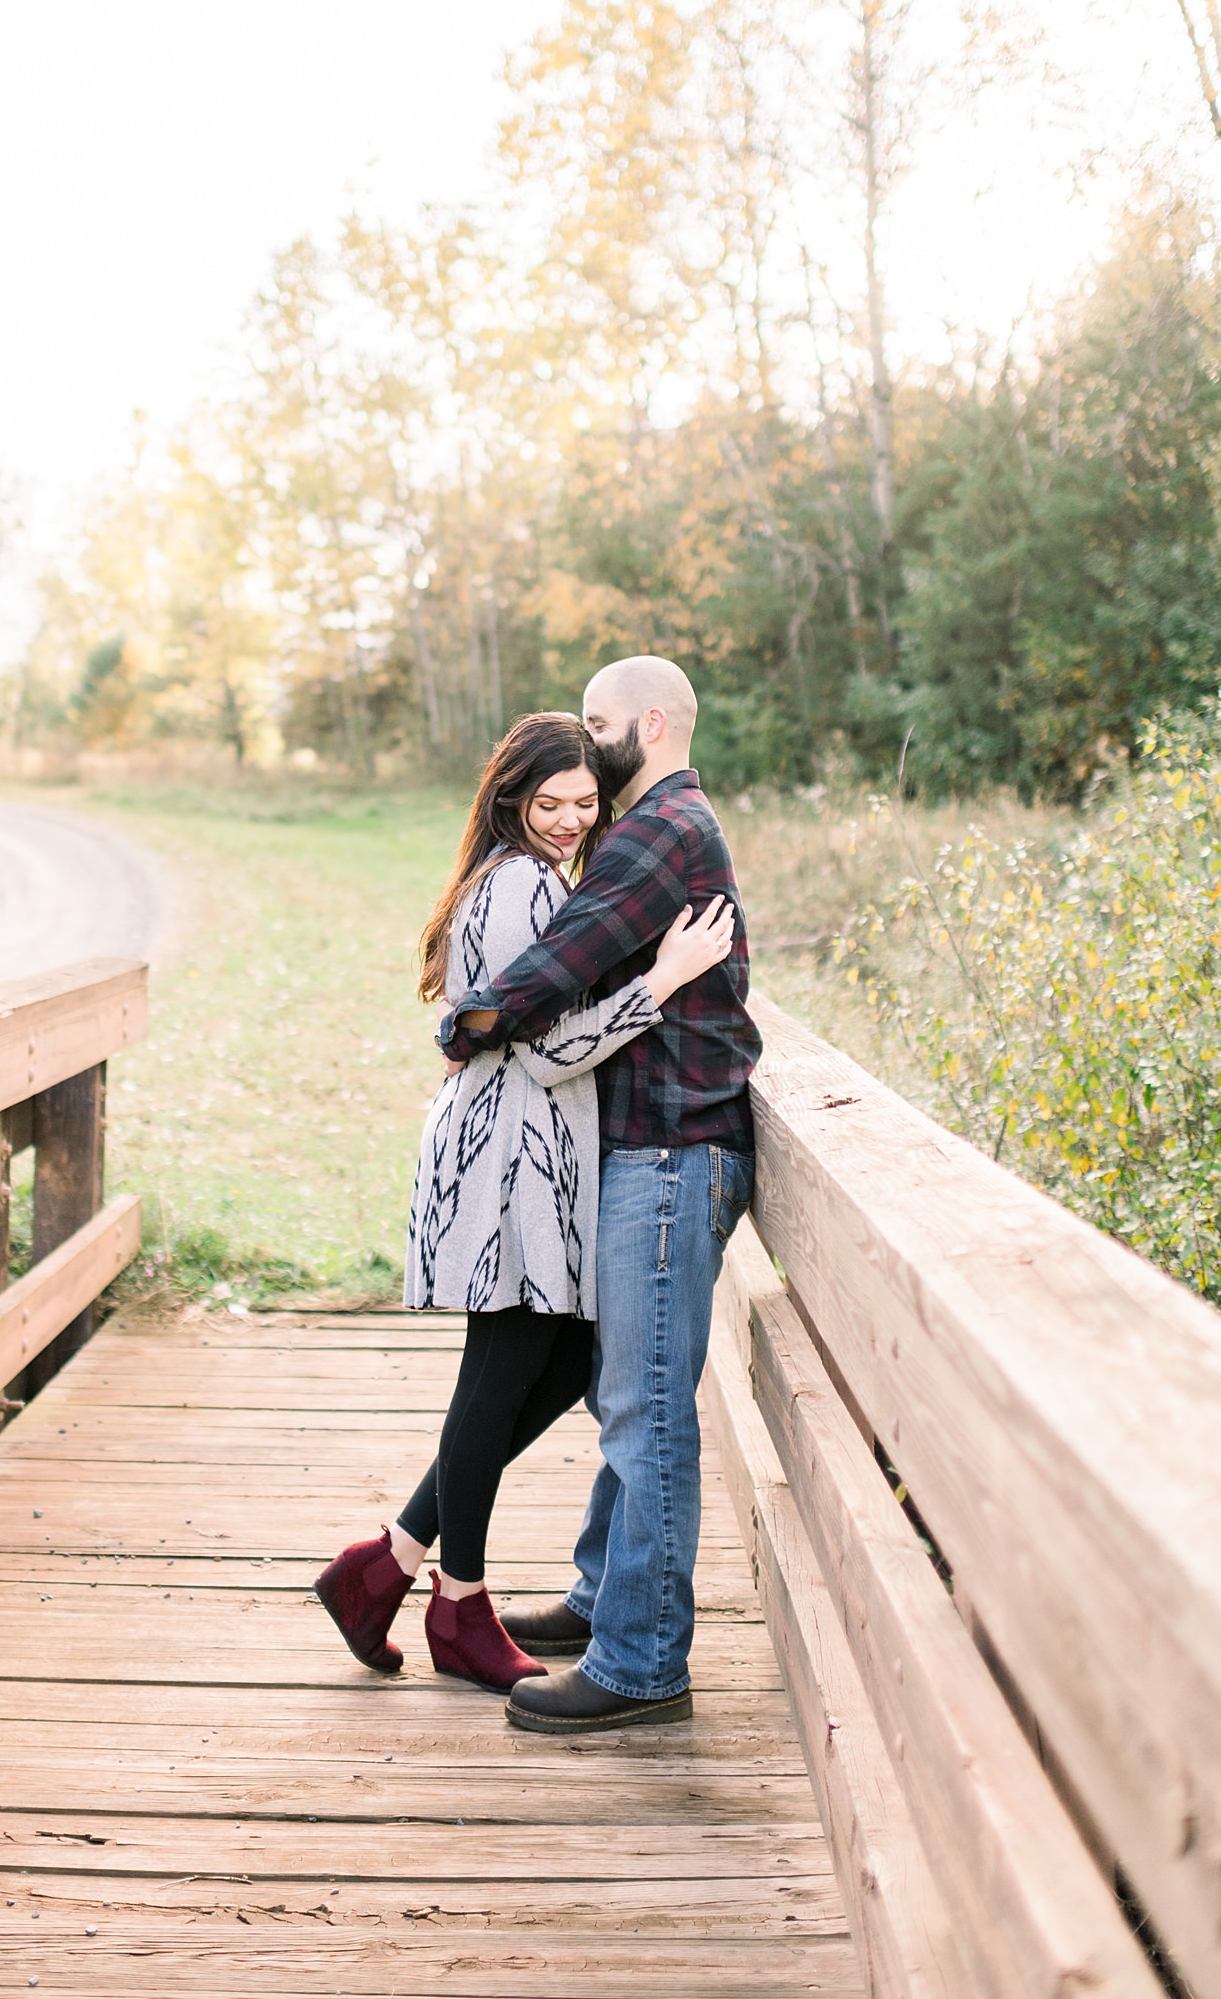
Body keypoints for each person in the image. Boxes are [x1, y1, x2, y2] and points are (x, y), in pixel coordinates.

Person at [313, 711, 733, 1694]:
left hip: (532, 1157)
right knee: (500, 1375)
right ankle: (457, 1603)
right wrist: (665, 980)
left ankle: (386, 1566)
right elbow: (544, 1050)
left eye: (585, 805)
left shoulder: (546, 879)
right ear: (511, 799)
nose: (567, 820)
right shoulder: (517, 885)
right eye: (548, 803)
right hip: (506, 1158)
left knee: (546, 1369)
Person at [439, 656, 760, 1733]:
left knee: (645, 1411)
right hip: (659, 1150)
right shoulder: (663, 825)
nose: (590, 739)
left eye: (598, 723)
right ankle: (600, 1599)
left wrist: (466, 1020)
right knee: (629, 1397)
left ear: (650, 722)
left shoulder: (658, 832)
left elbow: (553, 969)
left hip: (672, 1154)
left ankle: (640, 1664)